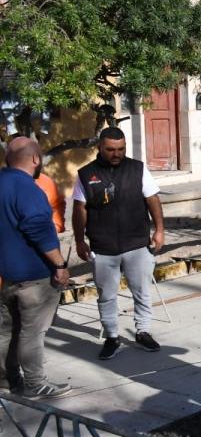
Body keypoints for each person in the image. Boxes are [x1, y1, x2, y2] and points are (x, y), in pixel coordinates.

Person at [71, 128, 165, 360]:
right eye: (110, 149)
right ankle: (112, 337)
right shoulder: (86, 174)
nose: (116, 154)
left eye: (121, 149)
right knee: (106, 295)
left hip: (137, 244)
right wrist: (80, 240)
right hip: (103, 248)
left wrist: (160, 230)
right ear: (100, 148)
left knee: (142, 291)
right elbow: (79, 209)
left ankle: (142, 331)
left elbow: (152, 199)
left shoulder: (138, 169)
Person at [0, 137, 73, 398]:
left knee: (6, 332)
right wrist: (60, 264)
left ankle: (7, 380)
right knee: (32, 332)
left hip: (7, 275)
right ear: (34, 159)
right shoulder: (28, 188)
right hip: (35, 276)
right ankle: (35, 383)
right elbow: (37, 228)